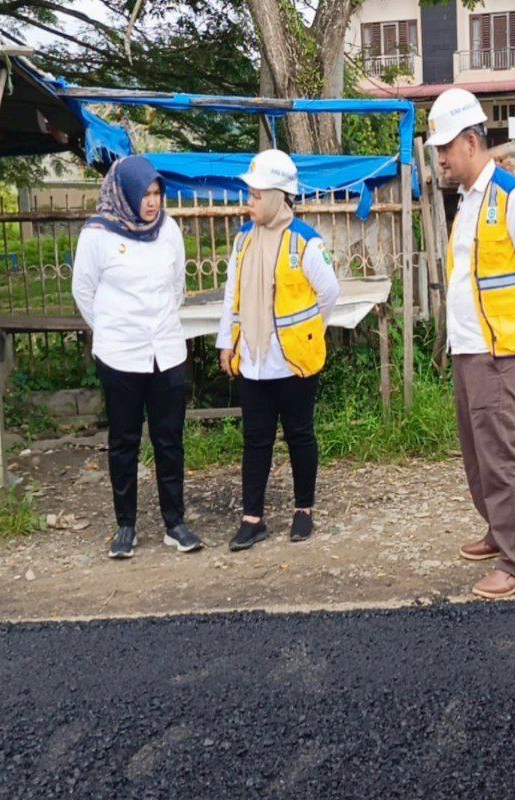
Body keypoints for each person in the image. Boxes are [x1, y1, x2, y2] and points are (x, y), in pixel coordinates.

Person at [425, 87, 515, 600]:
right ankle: (497, 531)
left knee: (502, 457)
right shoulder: (469, 202)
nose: (439, 158)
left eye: (445, 148)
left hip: (497, 351)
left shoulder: (514, 199)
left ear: (472, 142)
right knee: (477, 455)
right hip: (469, 347)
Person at [72, 155, 200, 559]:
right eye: (144, 194)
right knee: (124, 441)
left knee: (169, 440)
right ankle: (125, 525)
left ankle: (174, 523)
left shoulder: (170, 231)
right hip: (120, 356)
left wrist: (155, 325)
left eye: (157, 193)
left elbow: (177, 286)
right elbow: (84, 293)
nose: (152, 202)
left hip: (166, 352)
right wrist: (113, 330)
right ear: (124, 193)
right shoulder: (97, 234)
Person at [216, 150, 340, 551]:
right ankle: (252, 518)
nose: (249, 202)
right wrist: (226, 343)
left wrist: (306, 332)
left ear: (275, 196)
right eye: (249, 195)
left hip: (292, 362)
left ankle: (303, 510)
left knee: (300, 435)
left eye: (255, 195)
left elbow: (329, 292)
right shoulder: (243, 240)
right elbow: (231, 295)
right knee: (256, 440)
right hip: (251, 360)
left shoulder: (304, 240)